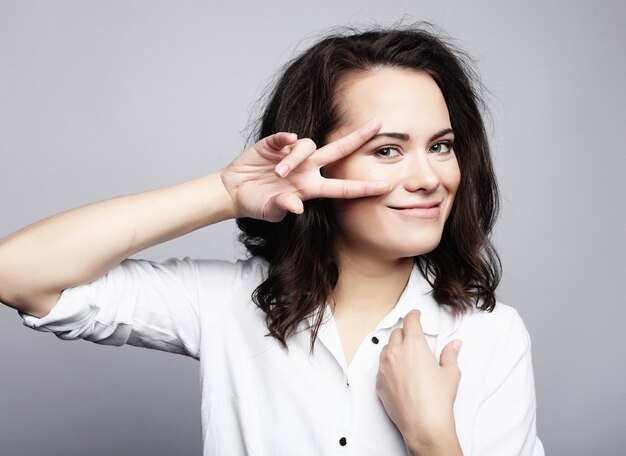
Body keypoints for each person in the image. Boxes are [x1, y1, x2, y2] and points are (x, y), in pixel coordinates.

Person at [0, 25, 544, 455]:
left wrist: (431, 439)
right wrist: (224, 192)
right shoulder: (226, 305)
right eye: (387, 150)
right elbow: (16, 273)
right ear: (311, 158)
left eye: (442, 146)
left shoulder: (491, 337)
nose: (430, 177)